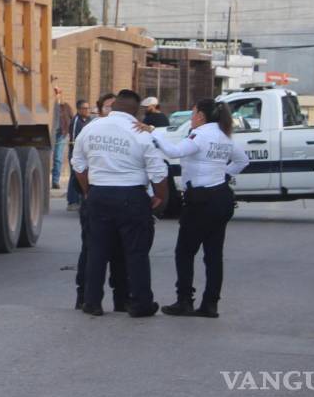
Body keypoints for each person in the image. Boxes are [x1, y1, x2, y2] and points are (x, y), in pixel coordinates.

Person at [142, 98, 249, 318]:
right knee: (213, 255)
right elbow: (242, 160)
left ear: (201, 115)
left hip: (201, 200)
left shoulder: (200, 135)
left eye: (193, 113)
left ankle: (184, 301)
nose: (192, 118)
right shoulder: (224, 136)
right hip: (221, 196)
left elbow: (172, 152)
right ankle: (210, 304)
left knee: (184, 252)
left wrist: (153, 131)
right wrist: (223, 175)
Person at [72, 89, 168, 318]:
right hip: (131, 196)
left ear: (115, 107)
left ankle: (92, 302)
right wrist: (159, 198)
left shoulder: (91, 128)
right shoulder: (140, 132)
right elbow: (159, 172)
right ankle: (141, 304)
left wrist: (88, 191)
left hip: (99, 195)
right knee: (136, 252)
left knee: (97, 251)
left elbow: (78, 164)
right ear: (136, 111)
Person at [66, 99, 91, 212]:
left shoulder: (89, 120)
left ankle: (82, 200)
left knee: (84, 176)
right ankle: (72, 202)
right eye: (84, 108)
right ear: (79, 110)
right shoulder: (76, 120)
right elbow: (74, 139)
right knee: (74, 176)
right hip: (76, 154)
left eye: (88, 108)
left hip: (87, 154)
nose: (87, 110)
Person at [51, 88, 72, 189]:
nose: (57, 95)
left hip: (61, 134)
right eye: (56, 93)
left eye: (59, 93)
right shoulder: (50, 106)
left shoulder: (66, 106)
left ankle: (55, 181)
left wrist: (69, 132)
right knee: (49, 156)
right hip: (51, 133)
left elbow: (72, 119)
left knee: (58, 158)